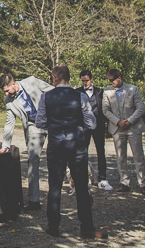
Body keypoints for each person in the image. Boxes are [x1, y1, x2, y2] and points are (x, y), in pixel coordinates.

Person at [36, 65, 107, 238]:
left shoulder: (46, 97)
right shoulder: (80, 96)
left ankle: (53, 226)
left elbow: (40, 122)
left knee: (55, 186)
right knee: (82, 186)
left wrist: (54, 125)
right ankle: (87, 227)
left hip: (56, 145)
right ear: (69, 78)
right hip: (77, 145)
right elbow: (92, 123)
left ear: (54, 78)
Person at [0, 72, 54, 211]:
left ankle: (84, 191)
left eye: (7, 90)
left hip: (53, 122)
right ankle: (33, 201)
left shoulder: (32, 81)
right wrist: (5, 145)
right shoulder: (8, 101)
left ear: (13, 84)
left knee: (65, 155)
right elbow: (9, 122)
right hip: (34, 126)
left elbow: (53, 91)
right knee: (32, 160)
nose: (6, 94)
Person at [101, 68, 145, 194]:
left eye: (112, 80)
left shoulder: (133, 89)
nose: (111, 82)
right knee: (120, 157)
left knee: (139, 156)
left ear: (119, 78)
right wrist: (118, 122)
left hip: (133, 127)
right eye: (109, 80)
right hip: (117, 128)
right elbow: (105, 110)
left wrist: (129, 121)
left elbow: (140, 108)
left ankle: (143, 183)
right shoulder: (107, 91)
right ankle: (124, 182)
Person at [76, 70, 110, 190]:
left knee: (101, 152)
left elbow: (104, 109)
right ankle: (82, 178)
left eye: (87, 80)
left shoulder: (100, 92)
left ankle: (103, 178)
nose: (85, 83)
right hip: (83, 127)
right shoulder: (77, 92)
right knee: (82, 153)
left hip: (98, 126)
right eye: (83, 81)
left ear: (92, 79)